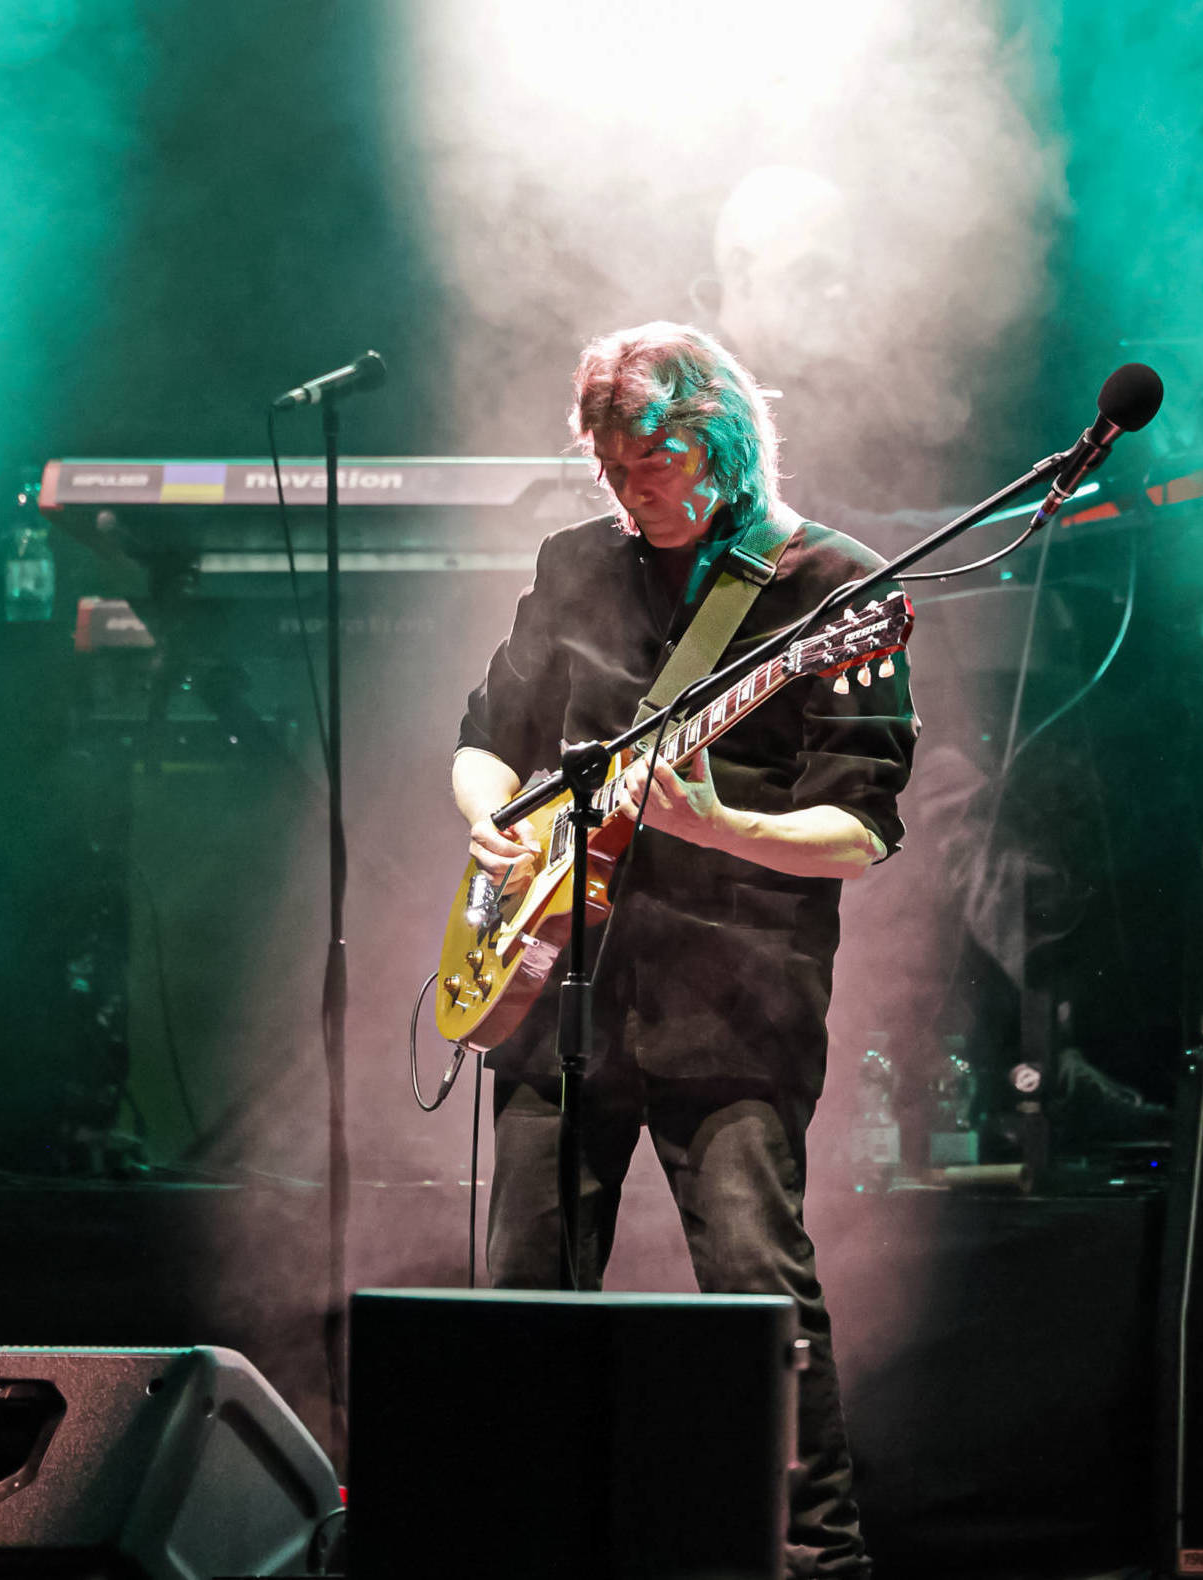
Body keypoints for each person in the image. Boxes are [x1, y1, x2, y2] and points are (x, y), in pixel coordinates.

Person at [452, 322, 916, 1577]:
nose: (627, 482)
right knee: (523, 1295)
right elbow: (487, 731)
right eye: (607, 459)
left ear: (718, 435)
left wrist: (720, 821)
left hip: (734, 998)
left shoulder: (833, 588)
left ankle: (818, 1557)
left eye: (651, 454)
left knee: (760, 1284)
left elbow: (861, 830)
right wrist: (490, 819)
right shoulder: (571, 566)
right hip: (557, 991)